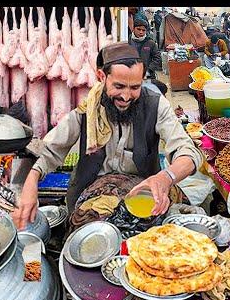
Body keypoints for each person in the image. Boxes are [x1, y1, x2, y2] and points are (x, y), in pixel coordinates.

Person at [12, 43, 204, 230]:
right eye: (119, 86)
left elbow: (187, 152)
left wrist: (165, 177)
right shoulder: (86, 107)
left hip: (141, 193)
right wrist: (30, 184)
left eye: (135, 87)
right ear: (101, 76)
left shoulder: (155, 105)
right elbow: (50, 150)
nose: (126, 96)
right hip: (92, 198)